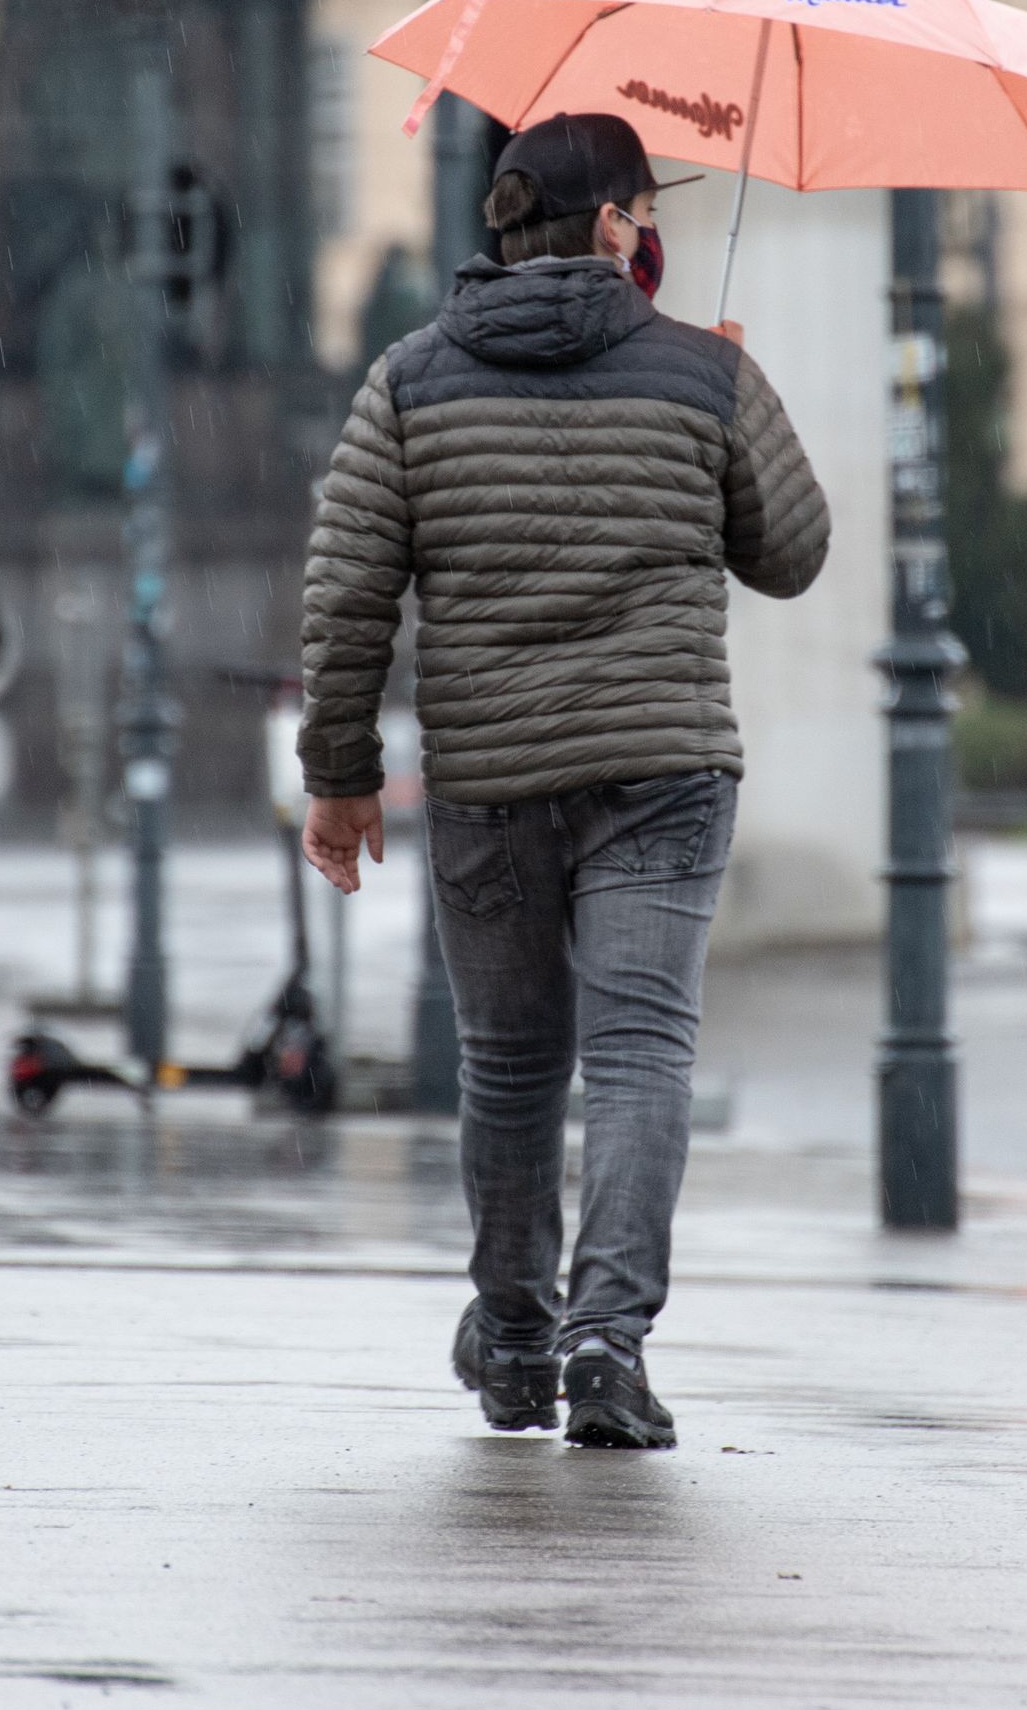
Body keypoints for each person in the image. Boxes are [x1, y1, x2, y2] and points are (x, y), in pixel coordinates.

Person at [296, 112, 828, 1451]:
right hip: (660, 768)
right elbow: (795, 553)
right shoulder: (701, 376)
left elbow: (348, 592)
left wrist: (341, 774)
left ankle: (517, 1331)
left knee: (514, 1060)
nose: (653, 229)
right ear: (606, 225)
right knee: (641, 1051)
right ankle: (608, 1336)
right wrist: (742, 398)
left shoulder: (408, 381)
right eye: (644, 208)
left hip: (488, 774)